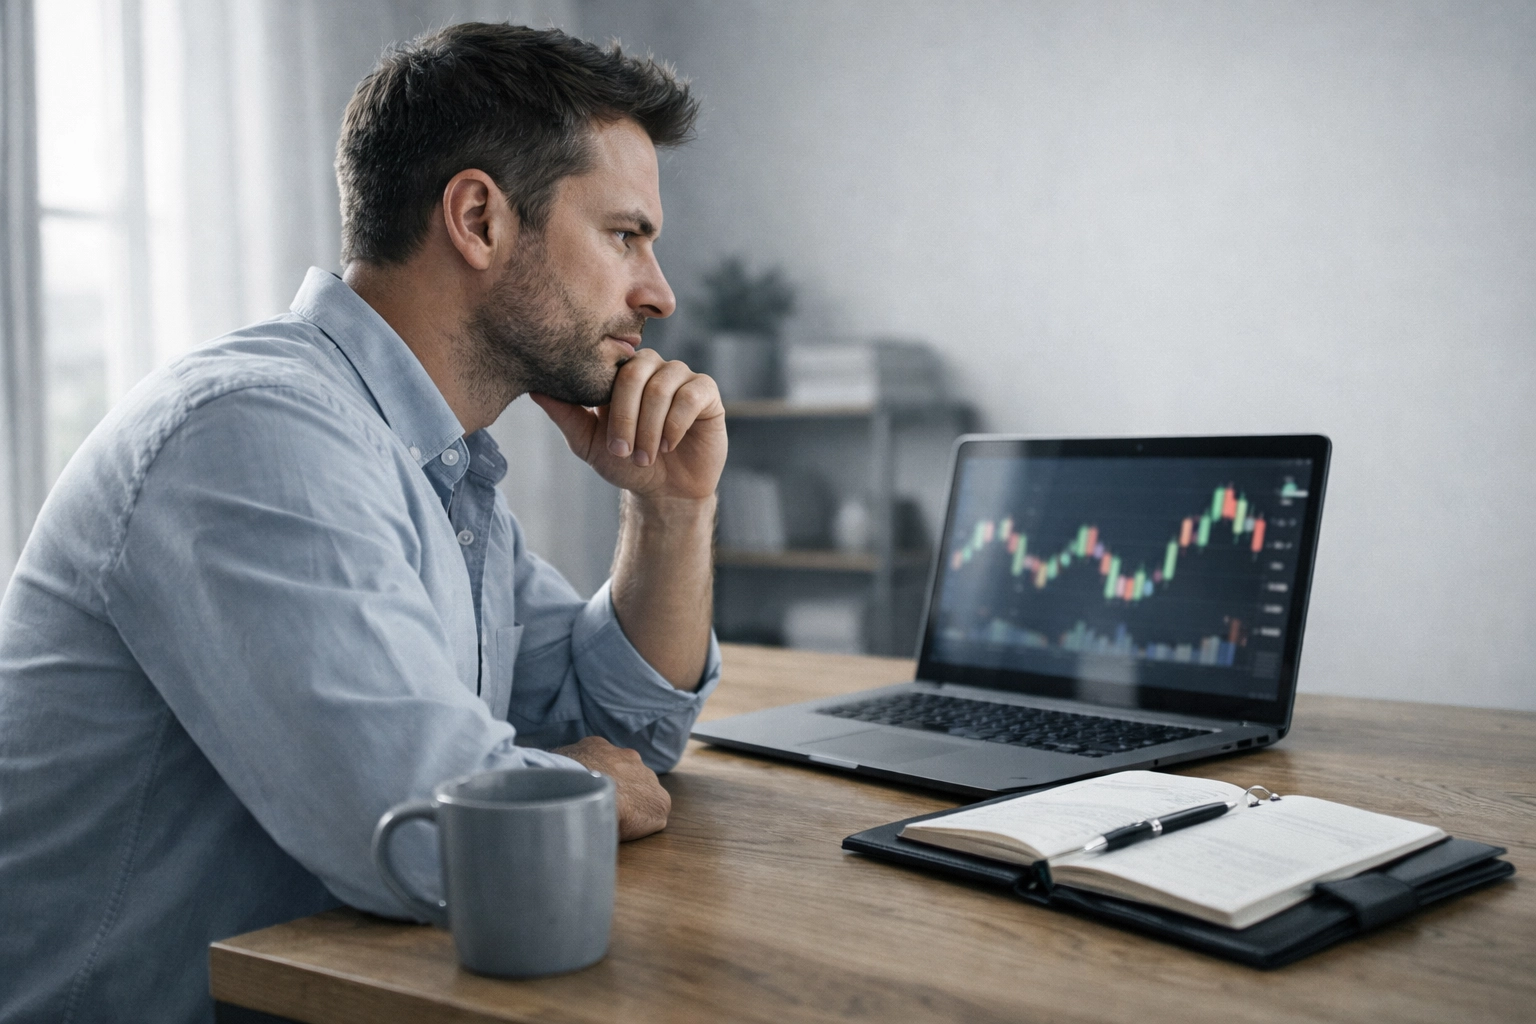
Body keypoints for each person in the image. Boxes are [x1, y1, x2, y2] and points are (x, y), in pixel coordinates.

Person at [0, 23, 722, 1024]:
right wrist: (583, 785)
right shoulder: (255, 435)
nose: (659, 291)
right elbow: (429, 840)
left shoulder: (434, 465)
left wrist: (672, 509)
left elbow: (623, 728)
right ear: (477, 219)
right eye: (624, 234)